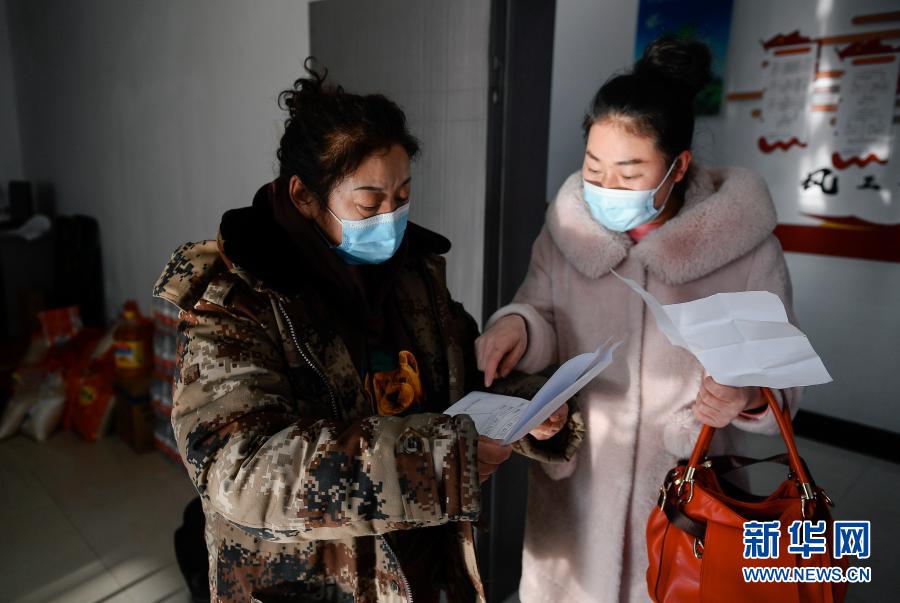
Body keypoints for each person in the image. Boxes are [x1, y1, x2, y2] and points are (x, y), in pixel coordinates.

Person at [153, 62, 577, 603]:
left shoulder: (413, 273)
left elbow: (464, 381)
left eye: (402, 196)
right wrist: (440, 461)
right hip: (315, 583)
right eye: (369, 202)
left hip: (421, 571)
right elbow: (240, 472)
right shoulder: (237, 299)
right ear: (305, 197)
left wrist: (529, 406)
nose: (390, 218)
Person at [475, 37, 802, 602]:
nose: (605, 190)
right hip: (578, 495)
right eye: (593, 168)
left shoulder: (745, 248)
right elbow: (542, 310)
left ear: (678, 167)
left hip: (689, 497)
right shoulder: (567, 231)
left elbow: (783, 380)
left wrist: (746, 396)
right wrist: (519, 328)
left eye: (629, 175)